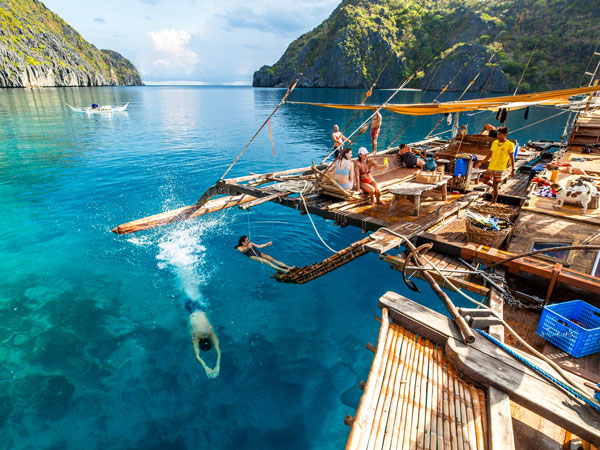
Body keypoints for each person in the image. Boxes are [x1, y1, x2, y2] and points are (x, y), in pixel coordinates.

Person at [475, 127, 515, 204]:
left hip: (500, 168)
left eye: (500, 135)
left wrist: (513, 170)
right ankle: (494, 187)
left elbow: (511, 158)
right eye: (498, 134)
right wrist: (481, 162)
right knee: (484, 181)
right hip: (491, 166)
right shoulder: (495, 142)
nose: (498, 136)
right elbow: (490, 154)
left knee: (495, 184)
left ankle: (494, 201)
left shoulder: (510, 144)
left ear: (505, 135)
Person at [186, 300, 221, 379]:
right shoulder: (195, 337)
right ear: (199, 343)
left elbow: (218, 351)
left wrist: (218, 365)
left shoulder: (210, 333)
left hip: (202, 309)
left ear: (209, 341)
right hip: (191, 312)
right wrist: (205, 367)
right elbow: (197, 355)